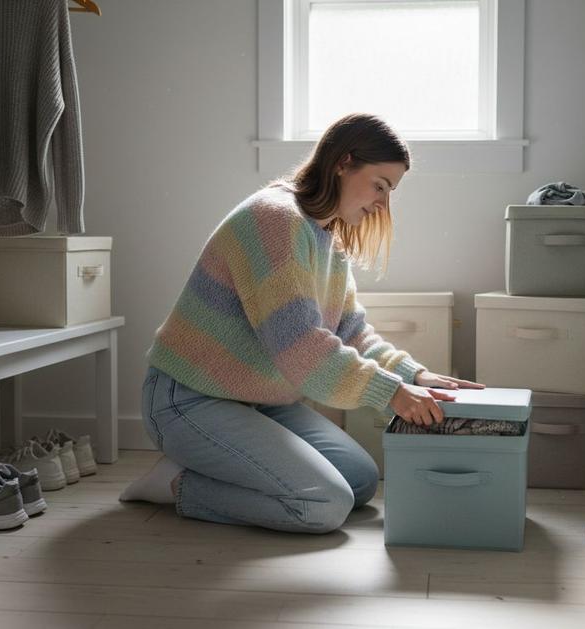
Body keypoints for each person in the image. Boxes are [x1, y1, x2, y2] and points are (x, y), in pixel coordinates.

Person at [119, 113, 483, 533]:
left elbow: (351, 332)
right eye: (380, 185)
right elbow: (302, 347)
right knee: (324, 504)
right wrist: (392, 392)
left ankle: (229, 463)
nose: (383, 203)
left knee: (360, 481)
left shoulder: (327, 237)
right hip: (189, 400)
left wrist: (413, 373)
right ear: (343, 163)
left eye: (390, 191)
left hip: (261, 402)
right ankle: (175, 482)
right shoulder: (275, 219)